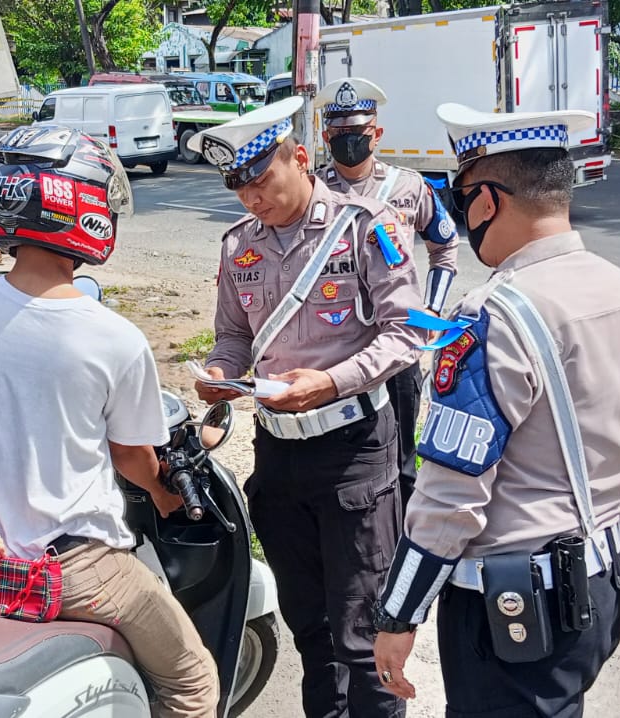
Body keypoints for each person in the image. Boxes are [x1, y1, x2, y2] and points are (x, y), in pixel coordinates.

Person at [0, 125, 220, 717]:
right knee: (191, 680)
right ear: (74, 208)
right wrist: (163, 495)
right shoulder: (114, 338)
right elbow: (132, 457)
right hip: (77, 571)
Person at [370, 105, 620, 717]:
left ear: (487, 201)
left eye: (460, 194)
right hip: (598, 585)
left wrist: (399, 614)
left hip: (515, 618)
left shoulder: (494, 315)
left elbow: (450, 496)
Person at [192, 96, 424, 717]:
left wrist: (329, 383)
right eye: (238, 188)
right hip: (279, 453)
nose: (251, 199)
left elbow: (408, 333)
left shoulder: (367, 226)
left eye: (261, 180)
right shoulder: (239, 243)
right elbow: (234, 336)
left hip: (353, 453)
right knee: (310, 631)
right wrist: (220, 374)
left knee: (362, 635)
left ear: (299, 157)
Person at [313, 78, 460, 507]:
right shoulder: (311, 190)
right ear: (325, 137)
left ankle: (402, 534)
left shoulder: (409, 187)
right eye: (339, 135)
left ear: (377, 133)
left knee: (402, 456)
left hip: (397, 346)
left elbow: (444, 245)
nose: (349, 142)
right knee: (341, 449)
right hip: (335, 347)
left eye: (358, 133)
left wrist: (430, 311)